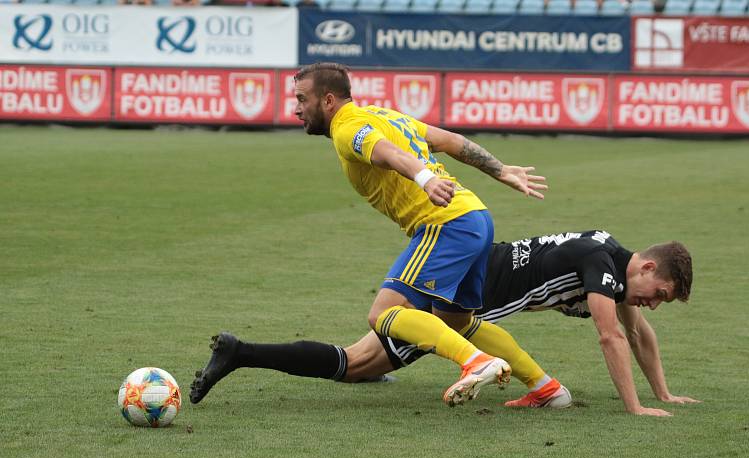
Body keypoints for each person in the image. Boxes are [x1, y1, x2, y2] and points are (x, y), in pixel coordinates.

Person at [193, 61, 551, 408]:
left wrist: (425, 180)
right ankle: (544, 387)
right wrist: (500, 169)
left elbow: (388, 153)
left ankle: (476, 362)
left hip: (445, 222)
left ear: (328, 100)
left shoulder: (348, 128)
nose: (296, 108)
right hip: (474, 216)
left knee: (383, 314)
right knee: (457, 320)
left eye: (302, 99)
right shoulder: (385, 115)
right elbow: (451, 140)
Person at [190, 230, 698, 416]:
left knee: (360, 362)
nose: (653, 305)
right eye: (661, 295)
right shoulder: (605, 271)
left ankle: (244, 353)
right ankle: (242, 351)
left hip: (470, 269)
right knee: (354, 363)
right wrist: (634, 408)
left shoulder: (609, 257)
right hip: (468, 297)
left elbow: (636, 332)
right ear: (648, 268)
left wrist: (664, 393)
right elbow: (611, 335)